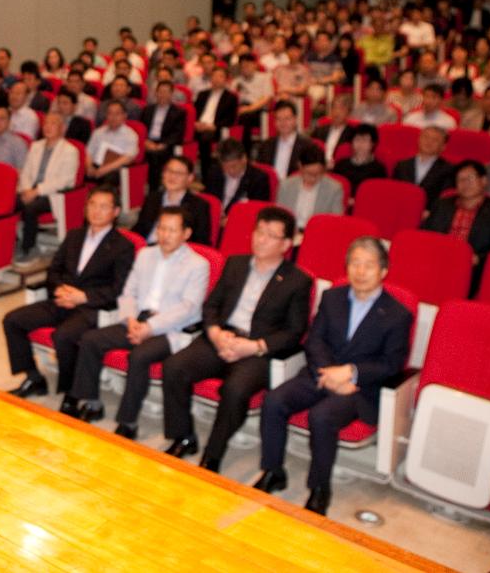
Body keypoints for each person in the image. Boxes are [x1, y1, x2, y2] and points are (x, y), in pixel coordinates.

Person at [254, 237, 412, 516]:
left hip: (360, 389)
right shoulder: (332, 297)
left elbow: (392, 363)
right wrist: (328, 371)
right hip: (321, 373)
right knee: (274, 401)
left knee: (322, 416)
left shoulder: (398, 314)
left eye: (369, 265)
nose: (360, 271)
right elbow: (315, 340)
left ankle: (319, 488)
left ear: (384, 271)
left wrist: (350, 373)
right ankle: (273, 470)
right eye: (355, 263)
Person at [160, 207, 310, 471]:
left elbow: (294, 332)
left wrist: (254, 346)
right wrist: (216, 333)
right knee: (174, 367)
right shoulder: (236, 264)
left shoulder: (297, 280)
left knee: (234, 389)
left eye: (271, 236)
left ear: (286, 244)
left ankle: (213, 453)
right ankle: (183, 436)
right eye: (259, 232)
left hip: (257, 351)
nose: (261, 239)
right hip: (222, 338)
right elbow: (211, 307)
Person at [64, 207, 209, 437]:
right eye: (161, 228)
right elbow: (128, 292)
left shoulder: (198, 264)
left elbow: (187, 308)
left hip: (170, 330)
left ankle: (128, 422)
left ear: (186, 233)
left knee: (139, 356)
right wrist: (131, 319)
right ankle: (91, 403)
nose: (164, 235)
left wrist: (150, 327)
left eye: (172, 230)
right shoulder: (145, 254)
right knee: (91, 339)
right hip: (136, 320)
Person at [2, 188, 136, 400]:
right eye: (92, 205)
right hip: (61, 299)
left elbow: (118, 289)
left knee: (64, 336)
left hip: (92, 308)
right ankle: (34, 377)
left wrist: (84, 297)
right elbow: (53, 270)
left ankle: (72, 393)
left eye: (104, 207)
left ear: (116, 211)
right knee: (13, 320)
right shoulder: (74, 235)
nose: (96, 211)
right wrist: (60, 289)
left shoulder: (123, 246)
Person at [420, 160, 490, 294]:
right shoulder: (442, 205)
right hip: (438, 261)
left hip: (471, 269)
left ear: (484, 181)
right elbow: (425, 234)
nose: (465, 184)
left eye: (470, 179)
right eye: (460, 180)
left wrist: (479, 258)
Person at [14, 111, 82, 259]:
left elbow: (64, 180)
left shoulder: (70, 151)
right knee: (7, 202)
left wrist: (36, 191)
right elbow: (25, 172)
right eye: (46, 123)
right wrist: (26, 189)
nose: (48, 127)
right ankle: (11, 243)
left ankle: (29, 248)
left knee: (30, 208)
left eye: (53, 123)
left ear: (62, 128)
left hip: (53, 194)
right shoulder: (35, 146)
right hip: (30, 189)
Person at [131, 155, 212, 246]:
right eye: (169, 171)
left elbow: (200, 243)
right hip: (145, 249)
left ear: (190, 178)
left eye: (178, 173)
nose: (172, 176)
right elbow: (139, 229)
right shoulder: (152, 198)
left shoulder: (199, 206)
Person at [276, 144, 345, 231]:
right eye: (309, 174)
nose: (313, 178)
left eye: (318, 174)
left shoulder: (334, 189)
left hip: (318, 233)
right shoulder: (286, 186)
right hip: (291, 232)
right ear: (300, 167)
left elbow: (336, 221)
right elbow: (279, 217)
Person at [193, 65, 238, 180]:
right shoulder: (202, 94)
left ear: (226, 80)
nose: (216, 79)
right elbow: (195, 113)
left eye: (220, 76)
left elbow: (230, 119)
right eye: (214, 76)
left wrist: (213, 126)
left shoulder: (231, 97)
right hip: (199, 126)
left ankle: (206, 176)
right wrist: (196, 123)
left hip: (216, 129)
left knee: (205, 139)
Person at [203, 138, 272, 214]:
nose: (230, 171)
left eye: (234, 166)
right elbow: (208, 201)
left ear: (244, 159)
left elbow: (257, 210)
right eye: (225, 167)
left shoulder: (258, 179)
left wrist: (231, 219)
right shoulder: (214, 173)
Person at [140, 81, 188, 189]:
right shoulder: (147, 110)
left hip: (166, 144)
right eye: (160, 91)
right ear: (156, 93)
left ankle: (154, 189)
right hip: (148, 142)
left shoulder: (179, 112)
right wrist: (146, 141)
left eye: (166, 92)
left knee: (155, 157)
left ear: (171, 94)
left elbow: (178, 134)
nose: (162, 95)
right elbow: (141, 129)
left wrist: (163, 145)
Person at [392, 125, 455, 209]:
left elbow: (445, 198)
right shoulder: (402, 165)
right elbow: (393, 192)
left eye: (435, 140)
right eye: (426, 137)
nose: (429, 142)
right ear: (418, 139)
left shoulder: (449, 169)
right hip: (401, 210)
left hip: (430, 216)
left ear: (443, 146)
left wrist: (431, 212)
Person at [253, 100, 316, 183]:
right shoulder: (266, 145)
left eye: (287, 118)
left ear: (295, 119)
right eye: (279, 119)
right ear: (274, 122)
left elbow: (311, 175)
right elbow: (259, 173)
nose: (283, 123)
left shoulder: (307, 146)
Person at [85, 100, 139, 183]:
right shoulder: (98, 132)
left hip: (115, 168)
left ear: (124, 116)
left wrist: (105, 169)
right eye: (110, 113)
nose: (113, 117)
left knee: (110, 178)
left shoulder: (130, 135)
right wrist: (89, 166)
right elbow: (89, 152)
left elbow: (128, 157)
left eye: (117, 114)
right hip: (96, 165)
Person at [333, 123, 387, 196]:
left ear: (372, 144)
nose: (360, 144)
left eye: (365, 140)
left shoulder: (379, 169)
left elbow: (379, 194)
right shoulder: (341, 165)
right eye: (357, 140)